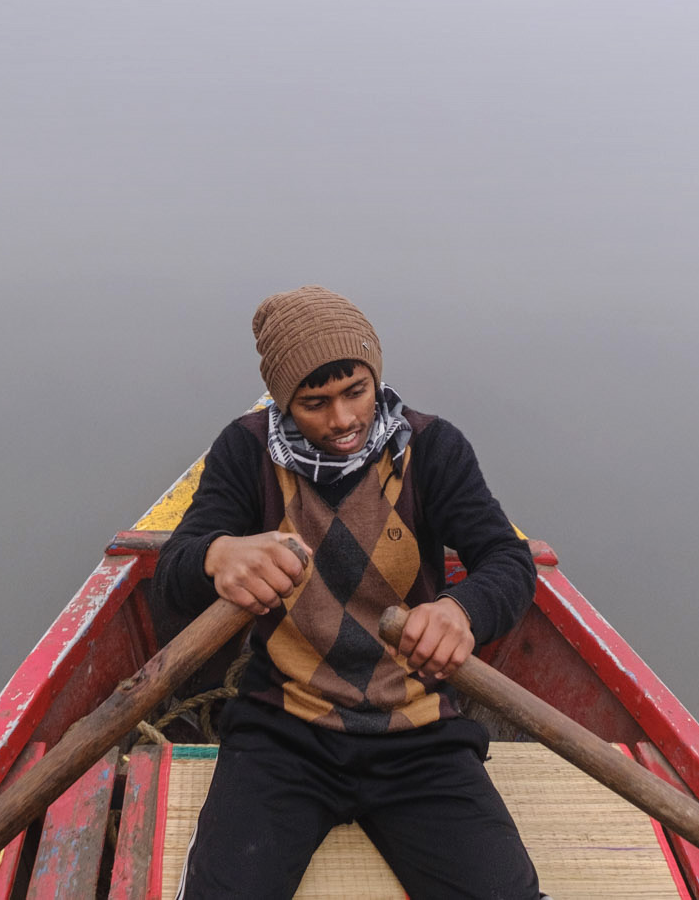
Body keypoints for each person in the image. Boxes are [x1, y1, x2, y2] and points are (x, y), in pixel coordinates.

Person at [154, 285, 545, 900]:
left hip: (417, 730)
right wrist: (216, 555)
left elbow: (508, 560)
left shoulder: (433, 449)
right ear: (284, 402)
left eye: (356, 392)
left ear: (375, 377)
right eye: (315, 403)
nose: (342, 420)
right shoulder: (246, 451)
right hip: (284, 727)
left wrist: (461, 610)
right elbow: (172, 572)